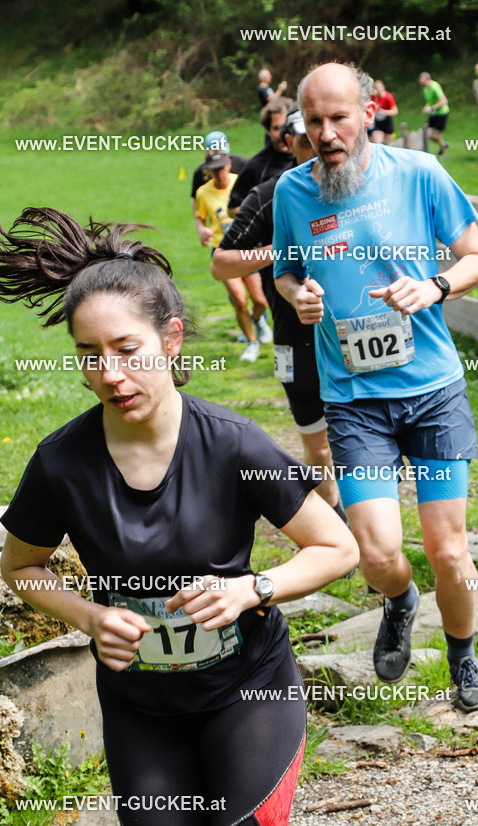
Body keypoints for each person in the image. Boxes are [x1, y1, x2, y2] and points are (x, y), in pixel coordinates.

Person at [0, 207, 358, 826]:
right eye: (91, 357)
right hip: (143, 707)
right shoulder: (63, 461)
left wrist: (252, 589)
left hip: (247, 691)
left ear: (173, 339)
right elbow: (21, 569)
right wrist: (87, 616)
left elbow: (336, 549)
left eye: (127, 349)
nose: (112, 372)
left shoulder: (230, 444)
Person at [273, 62, 478, 712]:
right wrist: (300, 297)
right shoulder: (293, 193)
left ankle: (463, 658)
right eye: (313, 121)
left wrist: (434, 286)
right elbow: (287, 274)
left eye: (338, 117)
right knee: (375, 552)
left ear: (368, 113)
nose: (326, 132)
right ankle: (399, 599)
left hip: (431, 392)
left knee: (448, 551)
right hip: (353, 401)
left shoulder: (420, 175)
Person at [212, 105, 345, 520]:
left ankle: (369, 526)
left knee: (362, 436)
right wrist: (280, 252)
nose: (318, 144)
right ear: (289, 142)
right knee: (318, 445)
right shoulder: (271, 194)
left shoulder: (358, 187)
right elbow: (222, 263)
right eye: (305, 138)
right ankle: (337, 524)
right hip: (295, 337)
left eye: (324, 134)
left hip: (355, 332)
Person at [195, 146, 272, 362]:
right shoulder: (203, 192)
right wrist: (203, 229)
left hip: (248, 249)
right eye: (214, 169)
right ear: (208, 170)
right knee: (239, 300)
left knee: (260, 301)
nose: (219, 173)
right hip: (224, 251)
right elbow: (200, 216)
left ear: (229, 163)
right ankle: (251, 343)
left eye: (221, 167)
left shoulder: (243, 182)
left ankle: (257, 320)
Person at [229, 98, 294, 215]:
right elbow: (232, 209)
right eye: (276, 128)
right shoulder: (257, 166)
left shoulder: (311, 156)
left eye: (286, 126)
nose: (282, 134)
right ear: (267, 130)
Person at [190, 130, 247, 229]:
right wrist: (201, 228)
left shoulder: (243, 164)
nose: (220, 173)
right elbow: (197, 201)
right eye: (215, 169)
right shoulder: (200, 173)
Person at [419, 70, 450, 157]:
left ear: (428, 79)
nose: (421, 82)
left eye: (423, 80)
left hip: (442, 113)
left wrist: (431, 108)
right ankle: (443, 144)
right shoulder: (425, 89)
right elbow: (431, 101)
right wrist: (426, 107)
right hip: (433, 114)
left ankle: (443, 153)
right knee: (427, 134)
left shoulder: (434, 87)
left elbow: (444, 101)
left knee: (437, 135)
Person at [371, 79, 398, 144]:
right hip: (377, 122)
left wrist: (384, 112)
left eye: (379, 87)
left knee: (389, 143)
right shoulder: (373, 97)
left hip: (387, 121)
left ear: (383, 87)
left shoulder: (388, 97)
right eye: (376, 88)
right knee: (377, 141)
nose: (378, 89)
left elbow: (395, 111)